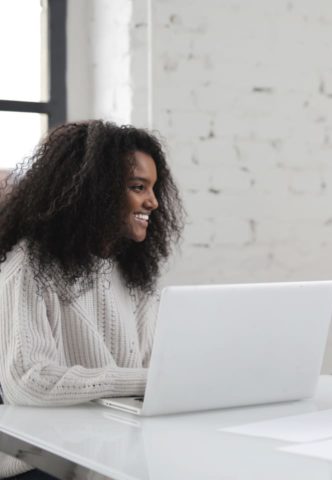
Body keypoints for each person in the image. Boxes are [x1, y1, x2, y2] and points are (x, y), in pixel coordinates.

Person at [0, 120, 183, 478]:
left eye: (154, 187)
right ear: (93, 191)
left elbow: (148, 367)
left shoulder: (133, 273)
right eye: (137, 187)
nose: (153, 201)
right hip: (41, 462)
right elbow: (28, 381)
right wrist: (155, 379)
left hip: (112, 451)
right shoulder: (26, 267)